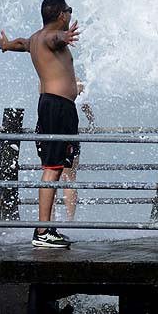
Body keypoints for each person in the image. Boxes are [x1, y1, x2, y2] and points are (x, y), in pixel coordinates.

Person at [0, 0, 81, 249]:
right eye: (68, 10)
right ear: (61, 16)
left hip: (53, 106)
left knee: (55, 166)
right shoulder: (49, 38)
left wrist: (9, 44)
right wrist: (62, 38)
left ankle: (47, 229)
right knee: (53, 168)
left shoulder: (35, 38)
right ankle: (43, 231)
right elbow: (52, 39)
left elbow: (25, 43)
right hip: (57, 107)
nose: (70, 15)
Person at [59, 80, 95, 221]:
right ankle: (69, 220)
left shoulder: (47, 79)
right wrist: (91, 122)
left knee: (50, 175)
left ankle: (48, 221)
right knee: (70, 177)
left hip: (47, 128)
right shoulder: (77, 83)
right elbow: (85, 106)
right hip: (69, 130)